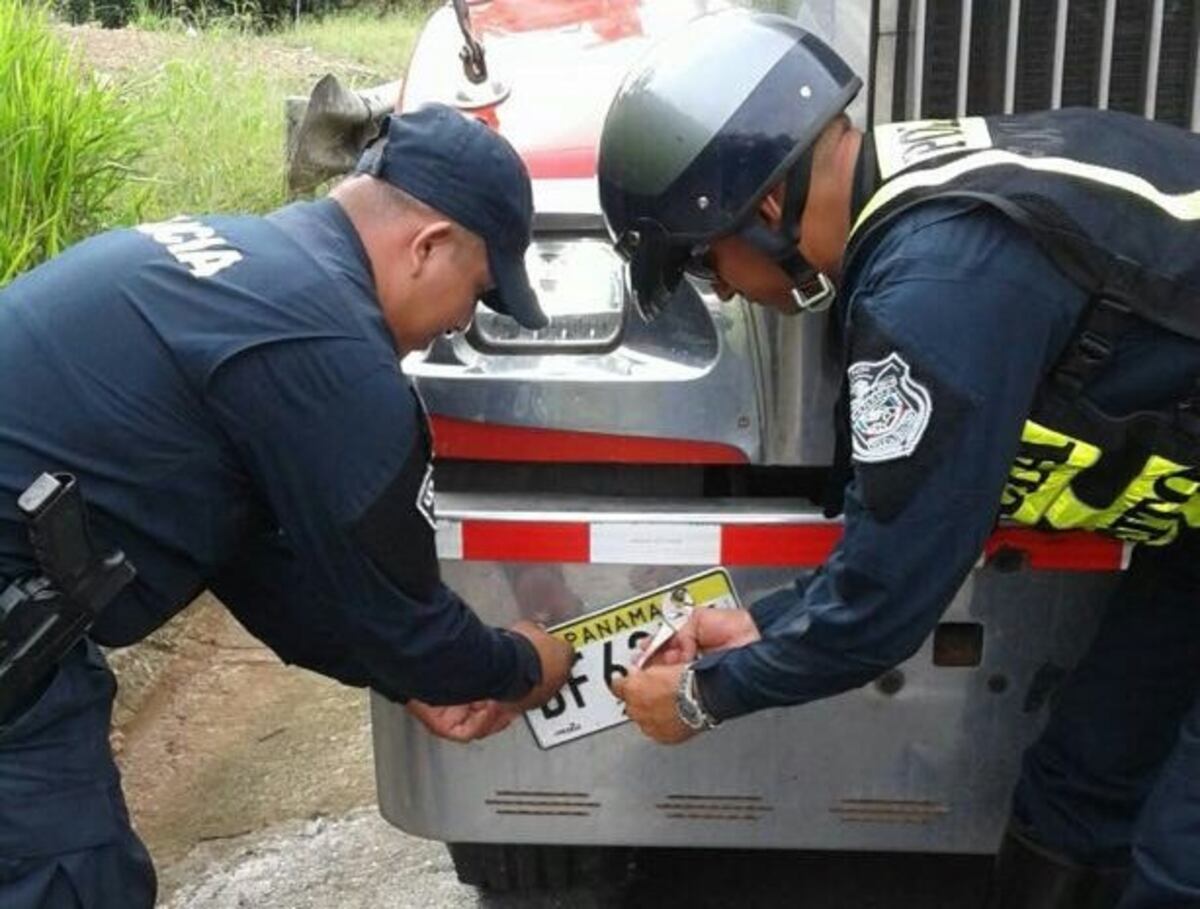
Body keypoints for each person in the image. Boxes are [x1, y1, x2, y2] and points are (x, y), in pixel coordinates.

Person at [600, 9, 1200, 909]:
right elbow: (900, 534)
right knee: (1085, 780)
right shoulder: (925, 206)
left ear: (764, 207)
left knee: (1178, 856)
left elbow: (882, 611)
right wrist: (761, 621)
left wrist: (702, 698)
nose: (721, 289)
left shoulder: (937, 286)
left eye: (702, 262)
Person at [0, 102, 574, 908]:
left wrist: (402, 675)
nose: (459, 322)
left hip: (28, 613)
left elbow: (257, 562)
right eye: (476, 292)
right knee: (71, 881)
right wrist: (528, 664)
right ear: (429, 246)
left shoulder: (252, 264)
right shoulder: (333, 352)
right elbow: (410, 622)